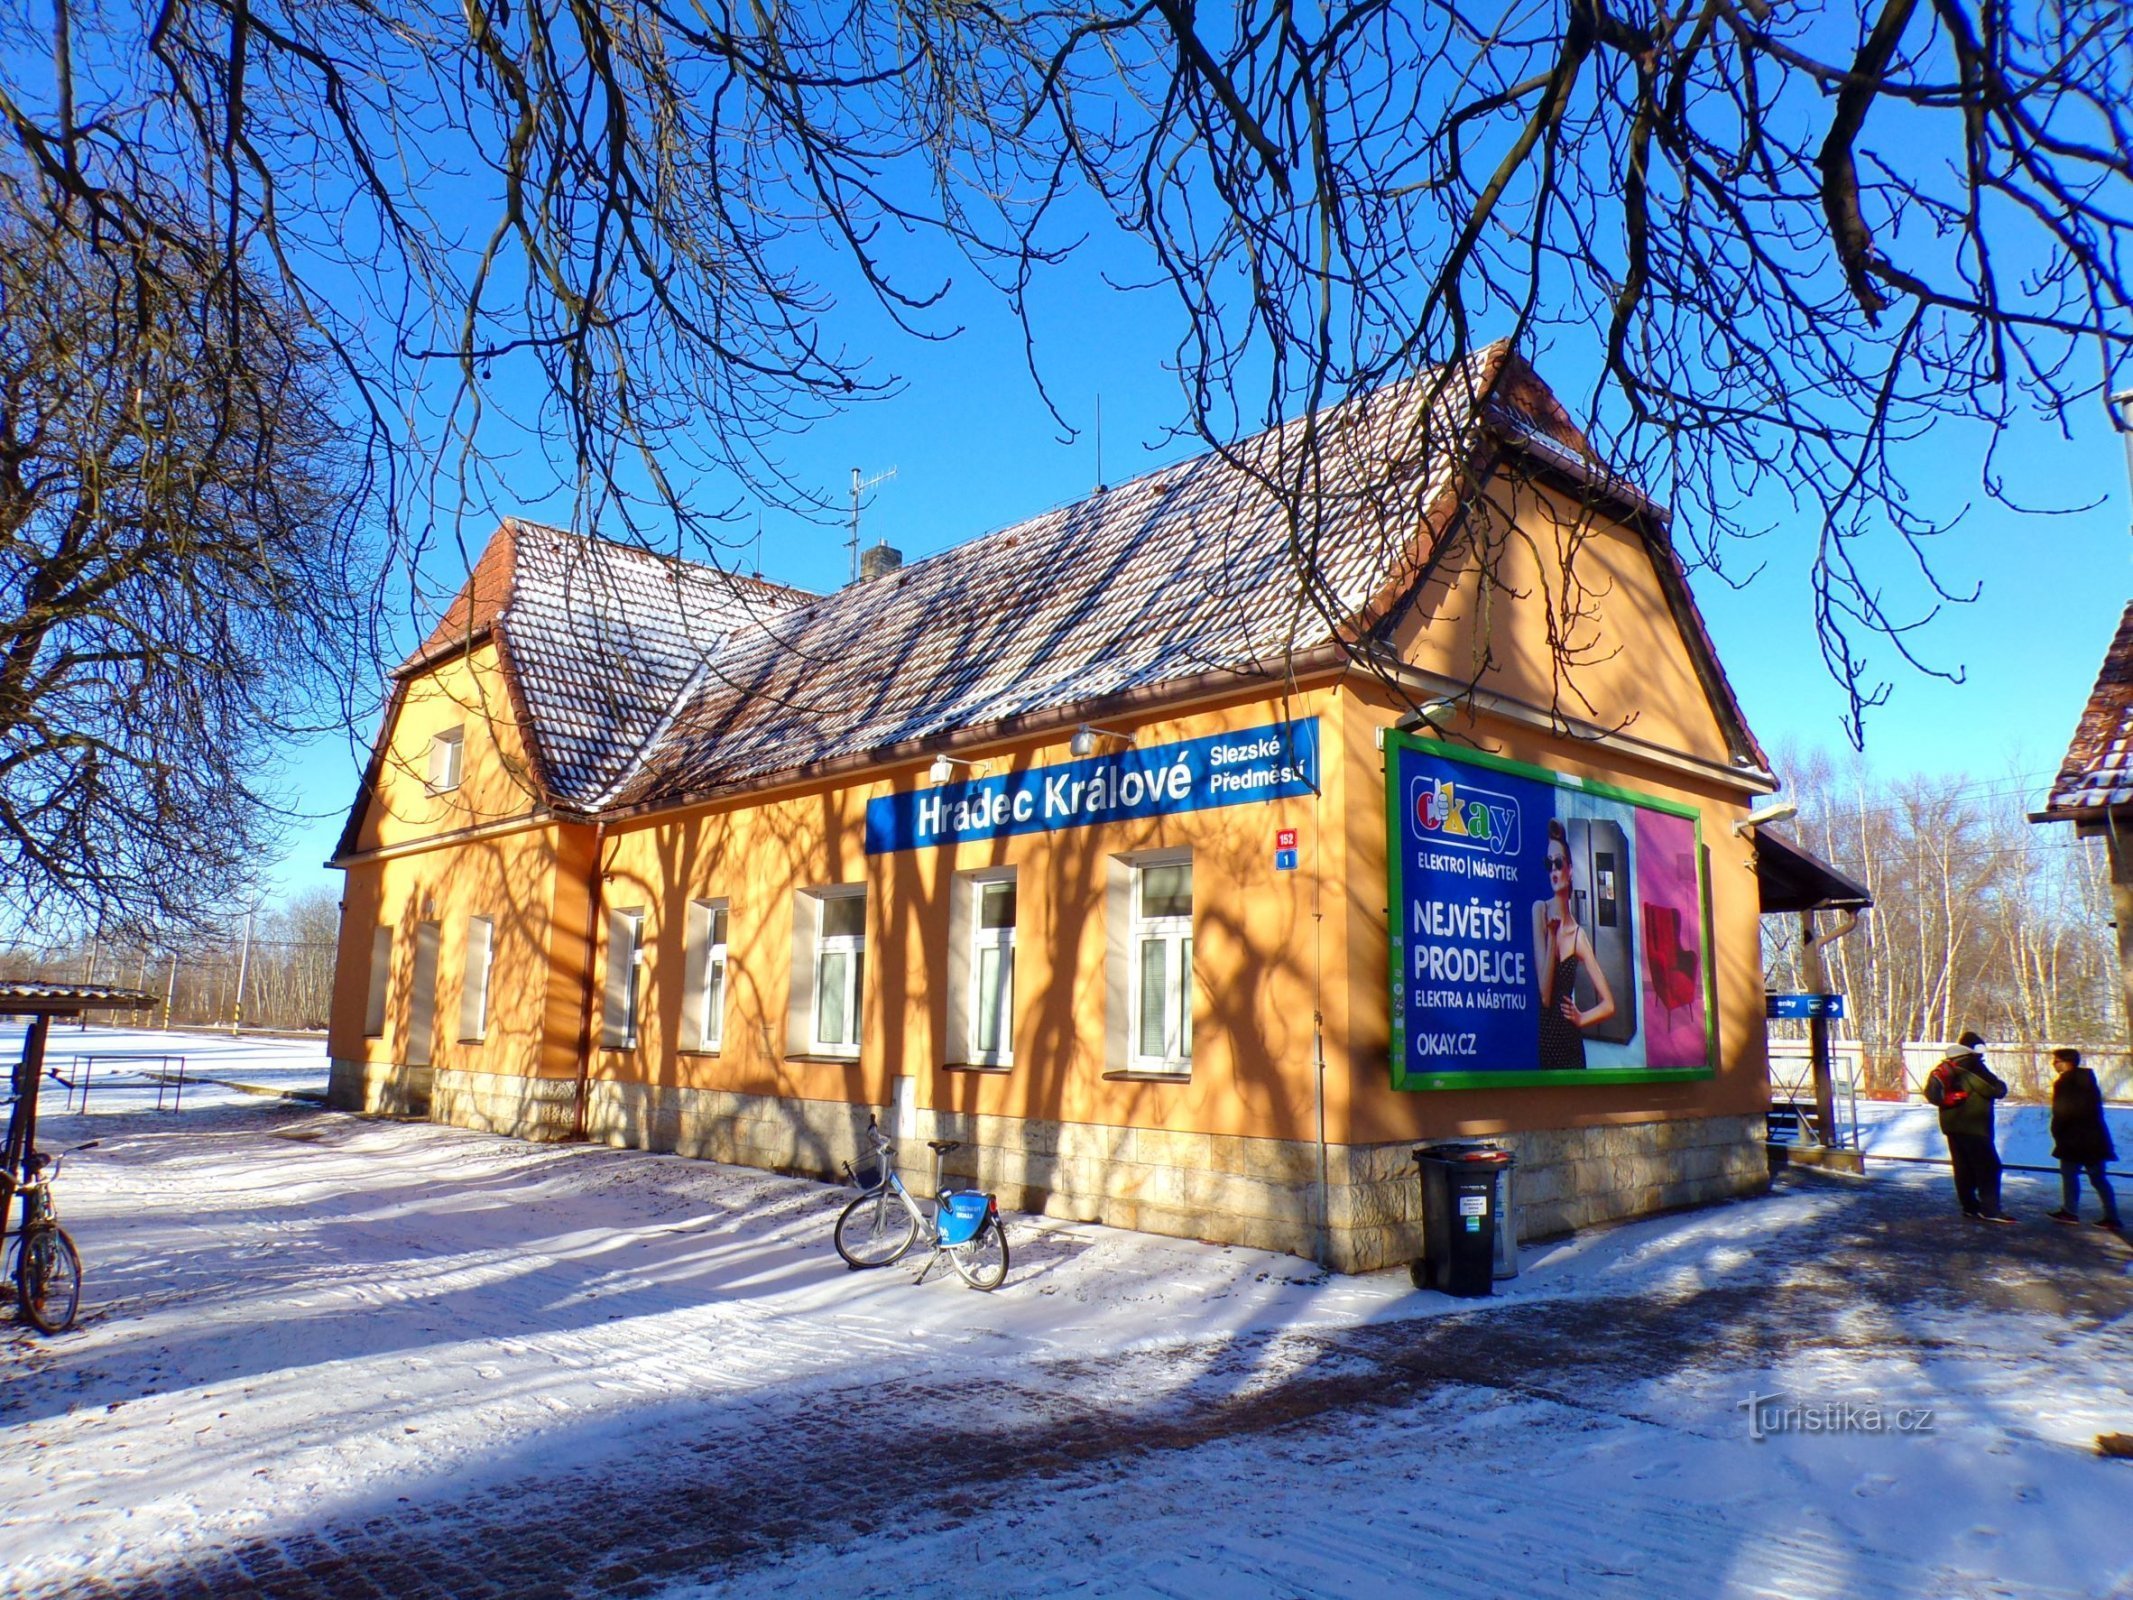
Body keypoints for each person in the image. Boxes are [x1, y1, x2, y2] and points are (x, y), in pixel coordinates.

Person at [1533, 818, 1615, 1070]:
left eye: (1559, 863)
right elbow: (1545, 996)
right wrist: (1552, 937)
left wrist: (1581, 1019)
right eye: (1549, 865)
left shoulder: (1579, 935)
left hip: (1571, 1045)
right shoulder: (1540, 911)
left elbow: (1609, 1004)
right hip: (1548, 1040)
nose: (1554, 871)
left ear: (1570, 869)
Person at [1924, 1030, 2012, 1222]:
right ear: (1974, 1049)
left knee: (1963, 1168)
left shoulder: (1946, 1066)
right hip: (1974, 1126)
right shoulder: (1973, 1066)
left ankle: (1970, 1207)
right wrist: (2001, 1084)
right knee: (1989, 1167)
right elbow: (1994, 1090)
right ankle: (1990, 1210)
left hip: (1951, 1127)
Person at [2046, 1048, 2122, 1231]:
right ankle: (2111, 1216)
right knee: (2098, 1178)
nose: (2053, 1064)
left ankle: (2070, 1211)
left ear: (2066, 1062)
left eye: (2056, 1061)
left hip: (2073, 1140)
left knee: (2070, 1175)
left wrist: (2058, 1133)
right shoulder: (2088, 1081)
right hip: (2094, 1139)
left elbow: (2062, 1113)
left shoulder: (2065, 1083)